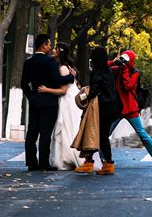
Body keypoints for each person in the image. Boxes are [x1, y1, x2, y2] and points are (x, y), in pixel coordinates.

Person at [21, 34, 74, 172]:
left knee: (32, 133)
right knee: (45, 133)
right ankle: (44, 163)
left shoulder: (28, 62)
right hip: (49, 102)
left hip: (35, 102)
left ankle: (32, 163)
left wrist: (31, 97)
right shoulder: (49, 61)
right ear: (43, 46)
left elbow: (24, 84)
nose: (50, 47)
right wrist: (71, 77)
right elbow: (57, 79)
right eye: (49, 44)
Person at [107, 50, 152, 167]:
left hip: (130, 109)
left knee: (142, 133)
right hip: (118, 108)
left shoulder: (134, 73)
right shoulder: (117, 70)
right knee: (105, 134)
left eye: (125, 60)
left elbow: (128, 85)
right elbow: (103, 69)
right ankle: (100, 158)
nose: (123, 62)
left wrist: (124, 70)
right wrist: (113, 62)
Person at [74, 46, 121, 175]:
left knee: (91, 132)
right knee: (102, 136)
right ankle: (107, 164)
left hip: (100, 108)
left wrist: (83, 95)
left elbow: (94, 90)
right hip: (112, 107)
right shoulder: (109, 71)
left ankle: (90, 163)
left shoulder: (97, 71)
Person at [44, 43, 82, 169]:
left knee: (67, 128)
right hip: (72, 99)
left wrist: (46, 90)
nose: (53, 50)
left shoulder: (63, 68)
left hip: (67, 101)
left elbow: (63, 91)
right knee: (71, 127)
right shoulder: (69, 67)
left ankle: (68, 158)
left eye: (55, 49)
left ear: (59, 51)